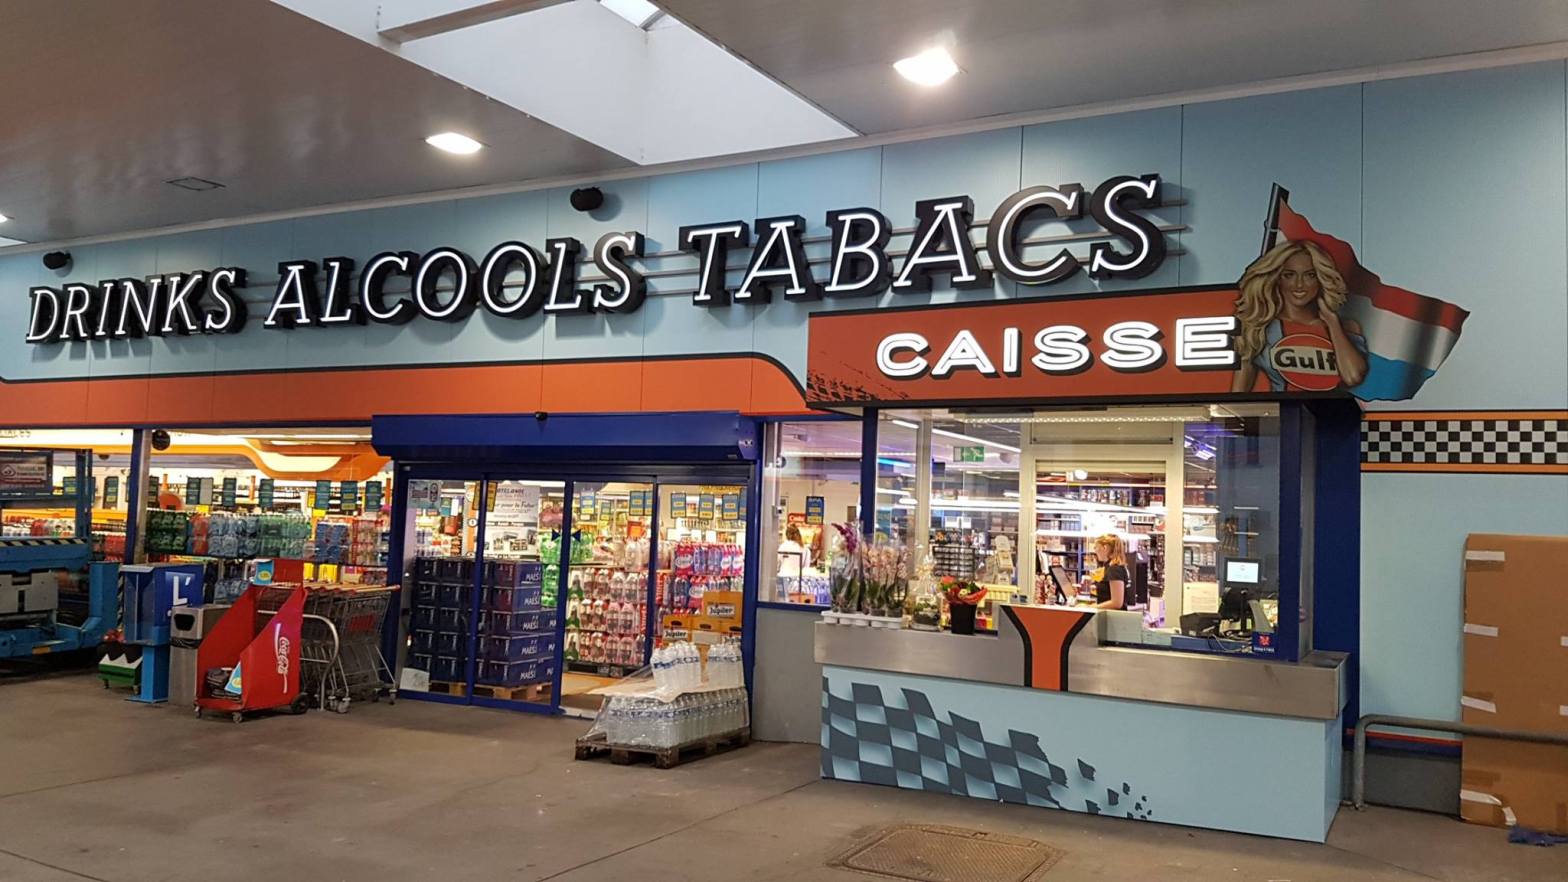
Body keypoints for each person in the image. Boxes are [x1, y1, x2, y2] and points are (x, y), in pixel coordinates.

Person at [1230, 239, 1368, 393]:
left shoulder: (1346, 327)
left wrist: (1333, 323)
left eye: (1310, 275)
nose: (1299, 284)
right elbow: (1238, 397)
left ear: (1320, 278)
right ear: (1277, 278)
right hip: (1283, 408)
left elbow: (1352, 377)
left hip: (1336, 408)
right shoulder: (1258, 330)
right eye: (1289, 275)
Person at [1087, 533, 1130, 611]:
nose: (1095, 551)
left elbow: (1116, 603)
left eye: (1096, 547)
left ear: (1105, 547)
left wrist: (1091, 608)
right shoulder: (1111, 567)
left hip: (1113, 617)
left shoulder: (1114, 569)